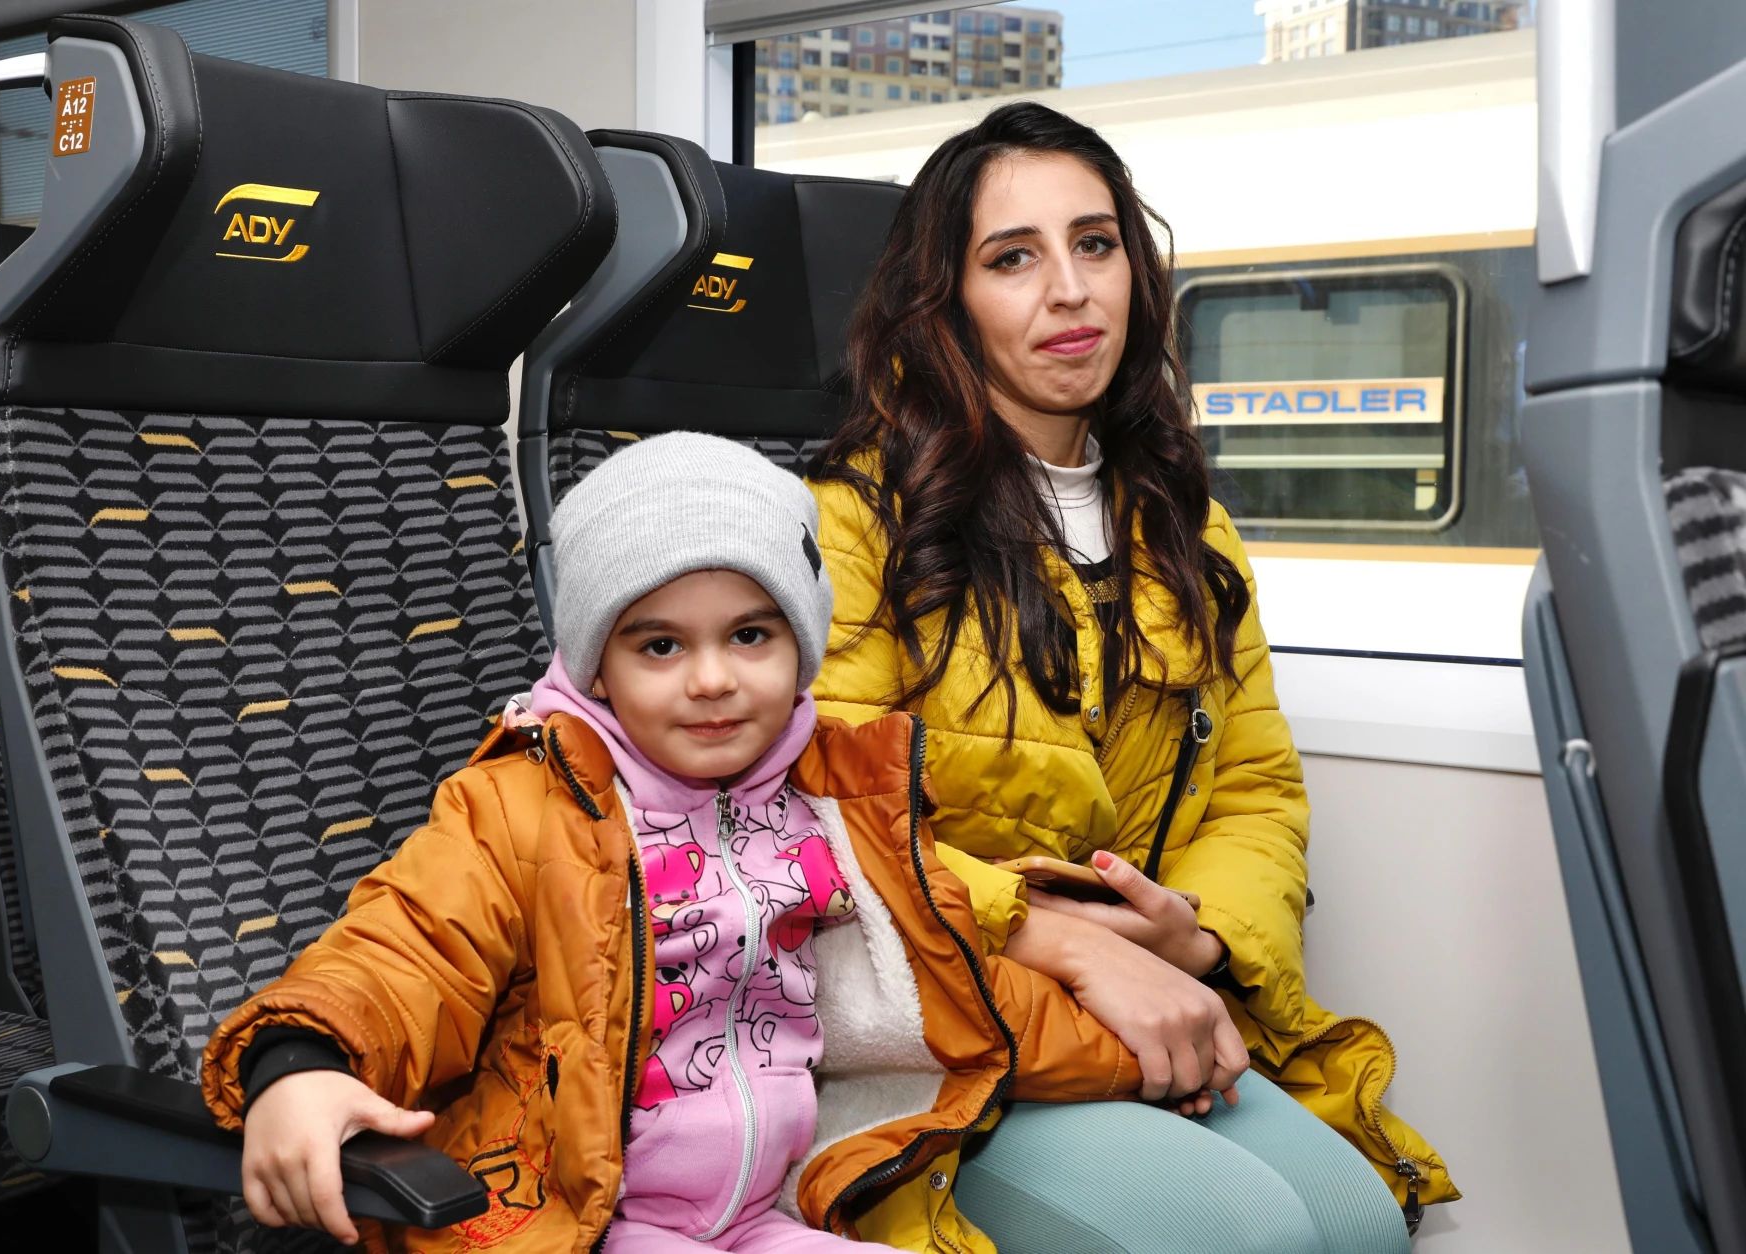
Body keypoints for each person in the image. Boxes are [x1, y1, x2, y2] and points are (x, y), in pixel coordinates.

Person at [199, 433, 1147, 1253]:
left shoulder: (833, 799)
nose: (711, 680)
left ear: (802, 646)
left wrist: (1136, 1056)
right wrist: (300, 1064)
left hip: (763, 1212)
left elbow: (949, 985)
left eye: (750, 635)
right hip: (571, 1219)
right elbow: (406, 951)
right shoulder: (522, 809)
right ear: (596, 668)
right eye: (660, 646)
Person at [810, 100, 1457, 1253]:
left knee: (1360, 1221)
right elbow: (822, 810)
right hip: (943, 1028)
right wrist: (1064, 943)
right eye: (1013, 258)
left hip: (1147, 994)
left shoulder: (1187, 529)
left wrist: (1194, 940)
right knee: (1251, 1238)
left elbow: (1256, 792)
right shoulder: (855, 523)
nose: (1071, 291)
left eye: (1095, 243)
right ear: (945, 303)